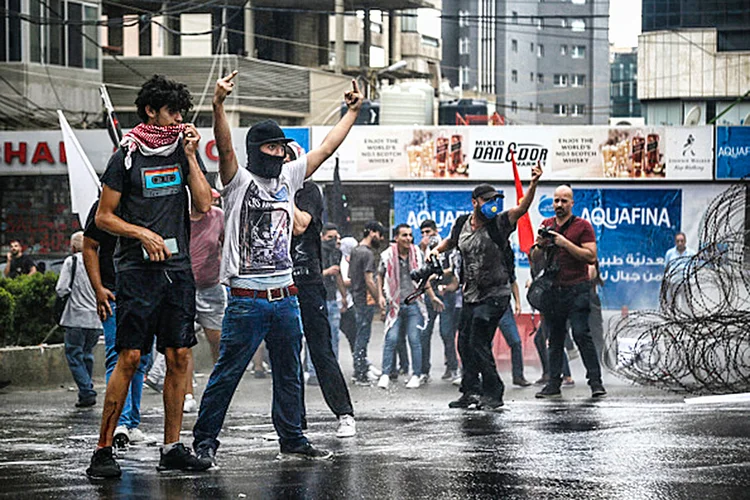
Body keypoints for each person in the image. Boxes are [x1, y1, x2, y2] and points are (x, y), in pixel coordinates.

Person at [192, 71, 363, 466]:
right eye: (270, 147)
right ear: (256, 150)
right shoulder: (237, 182)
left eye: (281, 147)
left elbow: (325, 148)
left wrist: (352, 113)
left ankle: (292, 438)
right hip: (247, 298)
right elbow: (224, 147)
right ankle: (204, 443)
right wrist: (218, 104)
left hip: (286, 296)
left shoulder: (289, 177)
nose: (278, 154)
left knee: (289, 373)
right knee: (227, 374)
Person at [86, 74, 213, 478]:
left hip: (178, 270)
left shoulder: (181, 151)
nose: (178, 118)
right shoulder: (126, 155)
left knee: (179, 355)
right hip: (137, 270)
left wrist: (191, 156)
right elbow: (104, 218)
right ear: (150, 111)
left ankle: (172, 447)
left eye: (182, 111)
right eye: (172, 111)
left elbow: (206, 203)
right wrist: (142, 233)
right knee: (131, 357)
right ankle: (103, 450)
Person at [431, 166, 542, 411]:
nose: (493, 204)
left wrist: (533, 183)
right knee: (464, 344)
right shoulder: (462, 222)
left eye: (496, 200)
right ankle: (470, 391)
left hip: (495, 294)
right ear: (475, 202)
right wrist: (436, 250)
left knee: (479, 342)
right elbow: (451, 241)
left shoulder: (500, 222)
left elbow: (522, 208)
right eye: (487, 200)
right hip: (471, 294)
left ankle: (494, 392)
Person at [82, 201, 155, 447]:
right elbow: (89, 245)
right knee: (119, 355)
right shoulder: (105, 207)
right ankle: (120, 423)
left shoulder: (151, 201)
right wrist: (99, 289)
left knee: (142, 358)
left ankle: (131, 422)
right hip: (114, 293)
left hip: (146, 292)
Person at [291, 174, 356, 438]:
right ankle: (293, 424)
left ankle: (345, 414)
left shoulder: (307, 192)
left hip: (308, 283)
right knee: (288, 357)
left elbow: (300, 226)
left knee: (321, 352)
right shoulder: (263, 189)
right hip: (279, 283)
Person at [531, 184, 606, 400]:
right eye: (556, 201)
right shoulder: (546, 225)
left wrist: (565, 243)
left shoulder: (583, 226)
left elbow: (591, 256)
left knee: (581, 334)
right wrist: (540, 245)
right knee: (554, 338)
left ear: (572, 203)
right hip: (554, 290)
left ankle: (596, 383)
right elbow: (535, 258)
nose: (559, 205)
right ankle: (554, 383)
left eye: (564, 201)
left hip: (578, 288)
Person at [183, 188, 226, 414]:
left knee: (217, 340)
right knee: (185, 343)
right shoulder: (179, 215)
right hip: (184, 287)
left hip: (211, 286)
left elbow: (228, 244)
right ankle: (187, 393)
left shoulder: (218, 216)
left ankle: (218, 390)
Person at [376, 224, 432, 389]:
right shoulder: (387, 255)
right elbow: (379, 275)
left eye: (410, 235)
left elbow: (425, 278)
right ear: (396, 238)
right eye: (404, 235)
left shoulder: (418, 254)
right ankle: (385, 374)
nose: (408, 238)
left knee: (415, 339)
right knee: (391, 338)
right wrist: (380, 296)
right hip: (395, 304)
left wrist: (433, 297)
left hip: (413, 304)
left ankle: (416, 374)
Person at [57, 231, 102, 408]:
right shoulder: (98, 261)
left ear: (73, 247)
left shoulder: (72, 261)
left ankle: (86, 391)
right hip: (96, 318)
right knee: (87, 354)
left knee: (74, 355)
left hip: (75, 317)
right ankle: (86, 391)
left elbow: (61, 289)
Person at [349, 220, 386, 385]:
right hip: (365, 299)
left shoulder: (356, 251)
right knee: (363, 337)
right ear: (372, 232)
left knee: (360, 335)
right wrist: (379, 299)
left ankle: (361, 369)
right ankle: (360, 373)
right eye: (379, 234)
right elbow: (369, 280)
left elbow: (351, 277)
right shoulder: (368, 253)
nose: (381, 238)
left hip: (357, 297)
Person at [417, 220, 445, 383]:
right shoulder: (421, 249)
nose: (425, 236)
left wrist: (439, 274)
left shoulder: (443, 245)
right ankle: (424, 370)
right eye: (422, 233)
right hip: (428, 293)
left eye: (428, 232)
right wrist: (422, 249)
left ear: (435, 231)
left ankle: (452, 368)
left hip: (445, 291)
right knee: (425, 333)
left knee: (447, 332)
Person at [496, 277, 532, 387]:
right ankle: (485, 375)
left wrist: (517, 302)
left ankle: (518, 376)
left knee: (515, 342)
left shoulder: (505, 263)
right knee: (484, 344)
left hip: (503, 307)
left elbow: (513, 282)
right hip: (486, 305)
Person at [663, 232, 695, 310]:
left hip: (686, 282)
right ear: (675, 242)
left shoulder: (691, 253)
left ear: (685, 241)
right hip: (673, 282)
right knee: (672, 304)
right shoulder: (670, 253)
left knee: (687, 305)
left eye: (682, 241)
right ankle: (673, 320)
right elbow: (666, 267)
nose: (680, 243)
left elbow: (695, 267)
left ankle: (687, 320)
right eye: (678, 241)